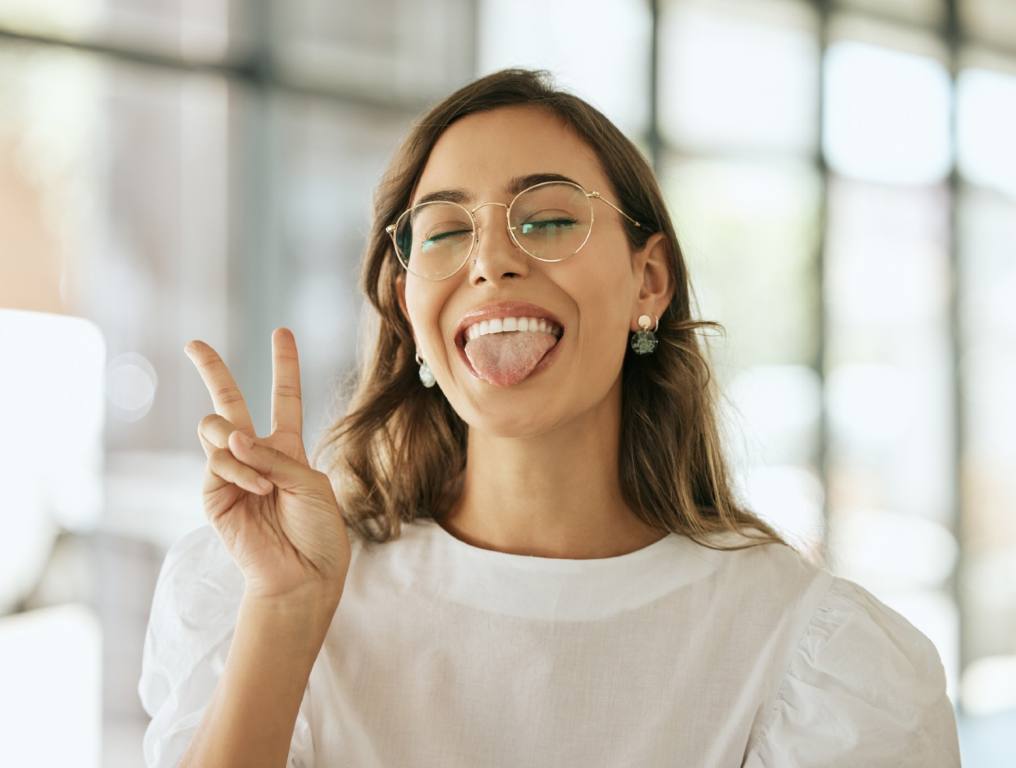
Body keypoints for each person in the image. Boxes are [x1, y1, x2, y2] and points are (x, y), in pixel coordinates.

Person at [137, 68, 961, 767]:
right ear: (406, 309)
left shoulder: (811, 657)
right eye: (446, 232)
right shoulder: (265, 595)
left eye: (550, 220)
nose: (491, 260)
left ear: (650, 282)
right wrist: (284, 611)